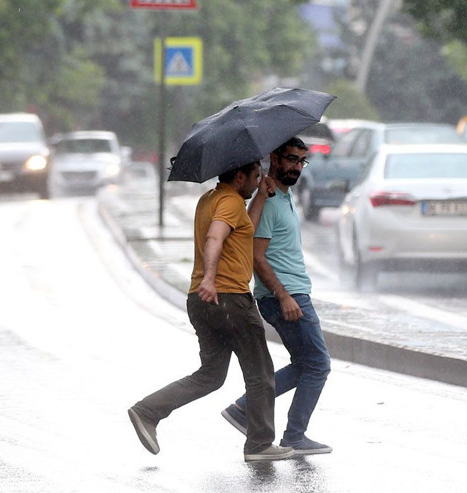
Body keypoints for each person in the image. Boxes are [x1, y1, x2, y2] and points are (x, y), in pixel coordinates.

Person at [127, 161, 296, 462]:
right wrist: (210, 278)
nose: (259, 181)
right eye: (255, 177)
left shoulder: (211, 200)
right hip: (229, 298)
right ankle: (259, 444)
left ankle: (147, 411)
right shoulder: (230, 202)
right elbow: (215, 237)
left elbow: (245, 232)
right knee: (260, 373)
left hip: (201, 301)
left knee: (210, 376)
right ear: (239, 176)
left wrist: (261, 196)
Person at [220, 137, 333, 455]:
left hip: (291, 291)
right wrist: (283, 295)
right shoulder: (268, 201)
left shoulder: (282, 196)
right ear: (274, 157)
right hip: (284, 294)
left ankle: (245, 409)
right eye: (291, 159)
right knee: (318, 364)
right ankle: (293, 435)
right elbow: (257, 255)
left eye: (301, 161)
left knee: (305, 363)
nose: (296, 166)